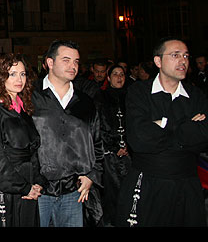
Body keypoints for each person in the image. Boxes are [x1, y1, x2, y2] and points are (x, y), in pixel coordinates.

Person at [116, 37, 208, 227]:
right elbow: (139, 139)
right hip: (148, 184)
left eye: (186, 56)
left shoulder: (197, 95)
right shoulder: (139, 92)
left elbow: (202, 138)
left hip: (186, 186)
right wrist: (184, 126)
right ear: (158, 61)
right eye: (175, 55)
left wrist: (161, 124)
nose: (183, 60)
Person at [31, 39, 104, 227]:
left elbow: (97, 141)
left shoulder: (85, 102)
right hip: (38, 189)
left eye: (76, 61)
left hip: (74, 189)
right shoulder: (30, 95)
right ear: (50, 62)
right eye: (66, 60)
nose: (73, 66)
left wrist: (92, 175)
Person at [0, 54, 43, 227]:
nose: (19, 79)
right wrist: (24, 187)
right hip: (4, 186)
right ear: (1, 77)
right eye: (12, 74)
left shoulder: (25, 108)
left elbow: (33, 151)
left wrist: (36, 182)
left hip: (27, 183)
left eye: (22, 74)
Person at [95, 63, 130, 226]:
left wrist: (130, 145)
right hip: (110, 156)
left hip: (130, 155)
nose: (119, 77)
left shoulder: (131, 96)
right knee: (112, 194)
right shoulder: (100, 98)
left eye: (122, 74)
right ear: (108, 78)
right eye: (115, 74)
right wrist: (115, 147)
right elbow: (99, 125)